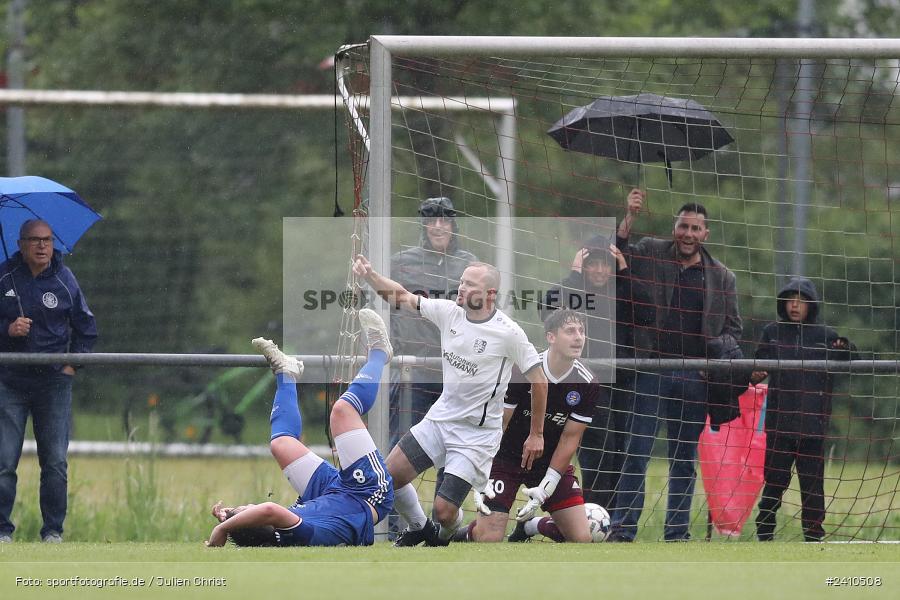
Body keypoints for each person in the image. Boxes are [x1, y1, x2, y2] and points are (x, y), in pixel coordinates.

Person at [352, 255, 548, 546]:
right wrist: (370, 276)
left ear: (489, 294)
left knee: (444, 512)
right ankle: (421, 528)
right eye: (461, 282)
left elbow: (540, 380)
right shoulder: (448, 312)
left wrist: (536, 433)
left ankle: (444, 535)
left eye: (469, 284)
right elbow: (404, 296)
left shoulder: (509, 333)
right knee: (387, 480)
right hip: (439, 420)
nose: (461, 288)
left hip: (476, 436)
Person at [610, 190, 742, 542]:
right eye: (683, 226)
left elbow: (732, 329)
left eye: (696, 228)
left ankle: (677, 533)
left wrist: (713, 364)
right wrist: (630, 215)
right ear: (675, 228)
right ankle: (623, 531)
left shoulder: (723, 277)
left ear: (705, 234)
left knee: (683, 459)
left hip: (695, 377)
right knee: (636, 452)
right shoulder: (652, 252)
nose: (688, 233)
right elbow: (617, 254)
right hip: (651, 368)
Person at [206, 308, 394, 547]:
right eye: (246, 512)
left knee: (281, 445)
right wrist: (224, 528)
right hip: (367, 493)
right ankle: (379, 353)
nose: (246, 508)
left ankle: (286, 372)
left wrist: (232, 517)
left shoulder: (282, 530)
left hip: (331, 495)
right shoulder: (296, 531)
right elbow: (269, 510)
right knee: (342, 412)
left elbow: (263, 515)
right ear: (265, 522)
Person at [452, 309, 601, 544]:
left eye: (582, 331)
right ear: (551, 337)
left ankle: (532, 526)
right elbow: (500, 423)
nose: (579, 337)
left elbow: (570, 438)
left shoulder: (587, 382)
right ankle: (464, 533)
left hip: (547, 463)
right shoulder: (523, 369)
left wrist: (547, 487)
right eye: (570, 331)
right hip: (505, 458)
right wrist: (481, 470)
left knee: (581, 538)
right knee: (489, 538)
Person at [0, 219, 97, 544]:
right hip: (9, 383)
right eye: (35, 240)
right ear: (21, 243)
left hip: (53, 384)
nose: (42, 246)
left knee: (54, 462)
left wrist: (71, 367)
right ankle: (2, 531)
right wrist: (7, 330)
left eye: (47, 240)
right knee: (3, 461)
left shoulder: (65, 279)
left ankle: (52, 532)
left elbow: (86, 329)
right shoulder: (4, 276)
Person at [750, 277, 856, 542]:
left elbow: (851, 356)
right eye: (789, 299)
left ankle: (813, 537)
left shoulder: (826, 336)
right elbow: (755, 368)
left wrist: (845, 347)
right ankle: (764, 531)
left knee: (812, 488)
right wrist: (752, 374)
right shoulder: (772, 332)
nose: (794, 305)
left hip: (813, 428)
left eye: (800, 300)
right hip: (779, 425)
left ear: (811, 304)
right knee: (774, 483)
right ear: (783, 303)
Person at [540, 237, 640, 510]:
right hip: (587, 385)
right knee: (596, 452)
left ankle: (608, 516)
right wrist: (573, 276)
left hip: (622, 384)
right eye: (592, 264)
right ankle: (590, 512)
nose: (598, 270)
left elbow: (648, 312)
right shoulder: (574, 295)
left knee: (619, 452)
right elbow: (547, 309)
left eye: (604, 264)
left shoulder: (622, 292)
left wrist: (625, 271)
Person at [389, 197, 477, 440]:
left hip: (455, 369)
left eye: (444, 220)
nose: (438, 226)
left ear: (453, 226)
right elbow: (382, 305)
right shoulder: (401, 262)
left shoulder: (469, 264)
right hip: (412, 368)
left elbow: (483, 312)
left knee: (454, 445)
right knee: (400, 443)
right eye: (431, 221)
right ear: (424, 226)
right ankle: (390, 480)